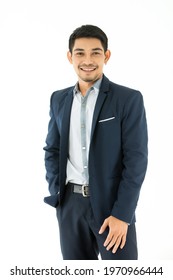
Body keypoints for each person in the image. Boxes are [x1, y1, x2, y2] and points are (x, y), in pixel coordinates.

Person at [43, 24, 148, 260]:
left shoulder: (128, 99)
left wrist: (123, 214)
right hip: (70, 206)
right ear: (70, 57)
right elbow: (52, 149)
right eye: (80, 53)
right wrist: (59, 194)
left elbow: (136, 160)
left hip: (113, 208)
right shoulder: (58, 99)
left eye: (95, 52)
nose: (87, 60)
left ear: (106, 56)